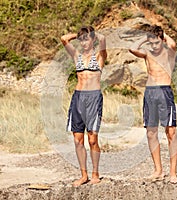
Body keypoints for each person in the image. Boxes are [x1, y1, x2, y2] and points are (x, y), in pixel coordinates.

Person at [129, 25, 177, 184]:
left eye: (157, 42)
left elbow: (173, 44)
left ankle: (173, 172)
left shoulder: (168, 53)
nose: (154, 46)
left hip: (165, 92)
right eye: (151, 43)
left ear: (162, 40)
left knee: (170, 132)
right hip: (150, 93)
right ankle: (158, 170)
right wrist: (147, 37)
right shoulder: (147, 53)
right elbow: (132, 48)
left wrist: (162, 35)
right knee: (151, 132)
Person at [61, 26, 107, 187]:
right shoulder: (77, 55)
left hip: (93, 98)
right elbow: (64, 38)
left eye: (86, 39)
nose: (84, 42)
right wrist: (79, 34)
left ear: (92, 40)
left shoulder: (99, 56)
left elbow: (103, 40)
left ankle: (95, 173)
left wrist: (92, 34)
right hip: (78, 98)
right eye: (81, 40)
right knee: (78, 139)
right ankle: (83, 175)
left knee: (92, 139)